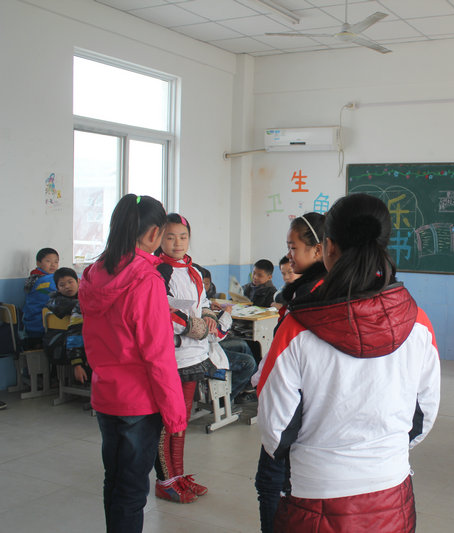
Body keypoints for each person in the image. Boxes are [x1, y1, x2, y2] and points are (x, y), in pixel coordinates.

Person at [255, 193, 440, 533]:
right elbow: (423, 416)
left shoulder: (296, 329)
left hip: (316, 498)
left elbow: (275, 432)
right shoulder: (419, 323)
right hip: (392, 496)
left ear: (328, 247)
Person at [79, 194, 186, 533]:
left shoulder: (93, 274)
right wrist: (175, 413)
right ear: (154, 234)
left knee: (114, 481)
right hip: (138, 402)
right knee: (131, 490)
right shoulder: (146, 279)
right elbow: (158, 354)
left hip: (106, 396)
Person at [154, 213, 253, 502]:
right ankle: (165, 480)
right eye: (170, 237)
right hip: (171, 358)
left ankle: (179, 475)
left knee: (182, 420)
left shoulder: (194, 270)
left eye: (183, 237)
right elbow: (161, 310)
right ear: (159, 238)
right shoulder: (158, 270)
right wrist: (195, 327)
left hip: (193, 356)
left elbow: (203, 303)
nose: (177, 243)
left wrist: (209, 316)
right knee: (169, 422)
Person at [254, 211, 327, 533]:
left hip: (294, 409)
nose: (288, 255)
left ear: (318, 250)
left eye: (293, 247)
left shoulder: (310, 298)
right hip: (307, 407)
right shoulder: (307, 291)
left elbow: (285, 359)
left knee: (271, 482)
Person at [44, 267, 88, 384]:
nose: (67, 287)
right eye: (62, 285)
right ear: (57, 288)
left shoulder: (85, 297)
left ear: (78, 281)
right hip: (60, 343)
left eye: (70, 282)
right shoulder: (55, 301)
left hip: (74, 342)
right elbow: (75, 307)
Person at [21, 247, 59, 349]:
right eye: (48, 261)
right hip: (41, 325)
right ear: (38, 263)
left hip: (30, 325)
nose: (53, 265)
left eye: (56, 262)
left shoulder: (33, 277)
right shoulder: (47, 280)